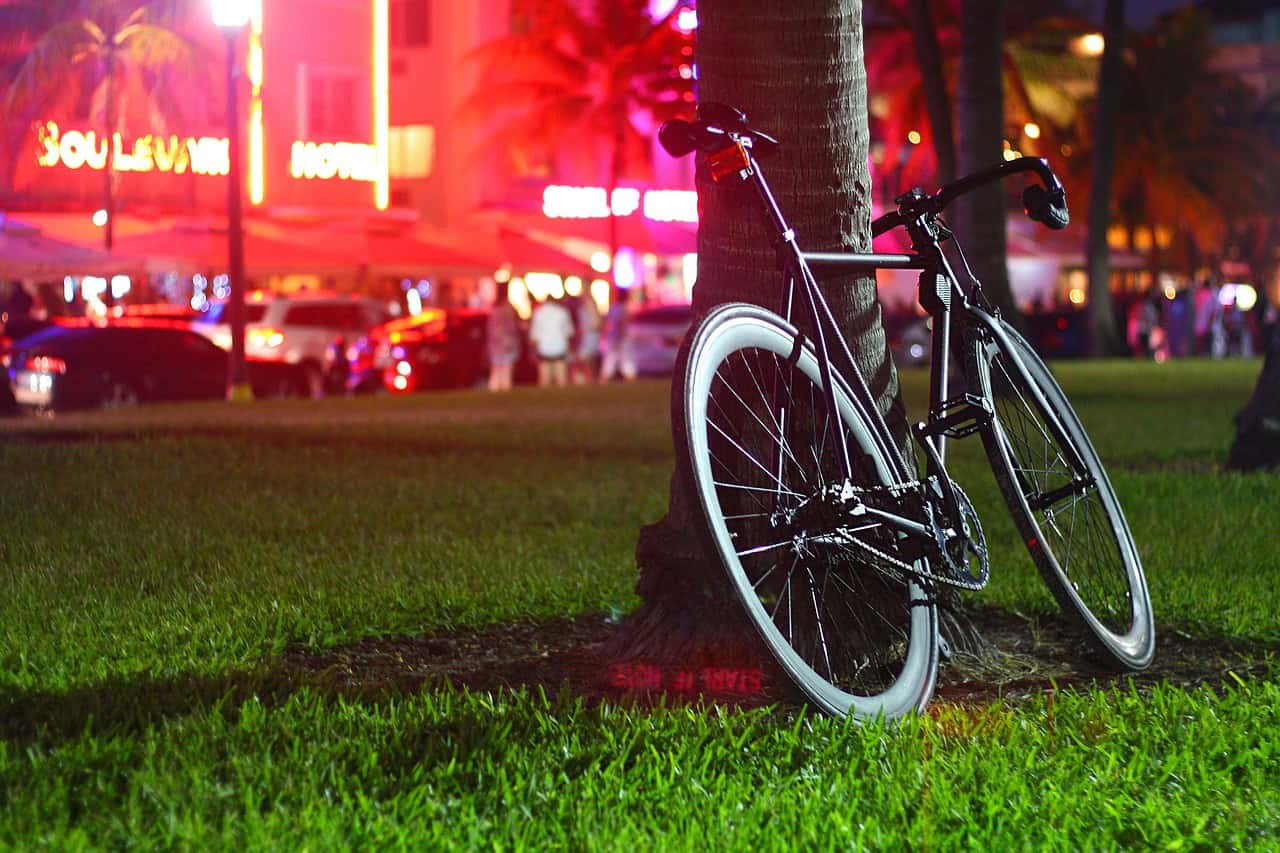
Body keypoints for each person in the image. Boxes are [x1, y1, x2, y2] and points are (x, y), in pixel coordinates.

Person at [528, 295, 573, 387]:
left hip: (544, 348)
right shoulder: (562, 312)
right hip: (560, 347)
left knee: (545, 379)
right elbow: (568, 332)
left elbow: (535, 335)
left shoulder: (538, 313)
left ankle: (545, 400)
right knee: (561, 378)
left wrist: (535, 349)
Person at [486, 290, 522, 391]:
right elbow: (513, 328)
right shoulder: (508, 312)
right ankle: (505, 389)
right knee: (507, 368)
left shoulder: (493, 312)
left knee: (496, 369)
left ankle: (494, 390)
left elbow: (490, 330)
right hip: (507, 345)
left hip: (495, 345)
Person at [599, 291, 637, 382]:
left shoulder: (612, 308)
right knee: (625, 359)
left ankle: (604, 379)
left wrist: (604, 335)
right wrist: (619, 337)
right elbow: (622, 324)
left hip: (612, 337)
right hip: (619, 338)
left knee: (610, 359)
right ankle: (630, 379)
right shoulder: (622, 308)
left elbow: (606, 323)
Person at [573, 294, 602, 384]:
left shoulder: (593, 311)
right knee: (586, 361)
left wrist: (584, 330)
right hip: (585, 338)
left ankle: (592, 380)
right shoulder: (584, 310)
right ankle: (590, 380)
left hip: (590, 337)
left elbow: (597, 323)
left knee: (587, 360)